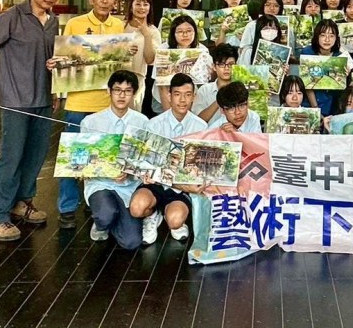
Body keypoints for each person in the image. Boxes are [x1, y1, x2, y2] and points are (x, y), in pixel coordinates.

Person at [0, 0, 63, 242]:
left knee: (35, 156)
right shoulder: (11, 17)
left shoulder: (53, 22)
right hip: (15, 100)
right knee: (11, 157)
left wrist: (56, 89)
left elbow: (53, 60)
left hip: (43, 99)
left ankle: (22, 203)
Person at [57, 0, 128, 229]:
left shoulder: (118, 25)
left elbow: (119, 62)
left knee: (103, 156)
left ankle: (94, 200)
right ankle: (67, 207)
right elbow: (64, 59)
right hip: (79, 101)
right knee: (74, 156)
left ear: (115, 0)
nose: (105, 0)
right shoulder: (75, 24)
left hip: (106, 103)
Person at [129, 73, 207, 245]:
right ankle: (152, 215)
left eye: (187, 94)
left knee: (175, 220)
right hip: (155, 184)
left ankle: (172, 218)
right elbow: (145, 161)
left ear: (194, 97)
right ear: (169, 96)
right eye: (177, 94)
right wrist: (145, 172)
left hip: (181, 189)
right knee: (137, 208)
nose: (182, 100)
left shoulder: (201, 127)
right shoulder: (153, 124)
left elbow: (198, 169)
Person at [80, 71, 150, 248]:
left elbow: (145, 159)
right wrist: (103, 171)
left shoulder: (142, 122)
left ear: (134, 93)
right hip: (100, 183)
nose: (122, 95)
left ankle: (113, 219)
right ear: (109, 91)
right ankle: (102, 222)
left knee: (131, 242)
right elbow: (81, 162)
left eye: (127, 91)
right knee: (106, 214)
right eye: (117, 90)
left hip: (129, 186)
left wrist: (130, 172)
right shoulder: (90, 122)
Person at [156, 15, 212, 112]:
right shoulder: (163, 49)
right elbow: (162, 86)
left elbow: (206, 81)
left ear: (195, 32)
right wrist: (169, 114)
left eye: (189, 31)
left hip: (193, 100)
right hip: (165, 99)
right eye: (180, 31)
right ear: (173, 33)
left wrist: (211, 72)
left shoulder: (202, 50)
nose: (185, 35)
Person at [300, 18, 353, 114]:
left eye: (331, 36)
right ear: (317, 36)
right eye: (323, 35)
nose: (327, 39)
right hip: (311, 104)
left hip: (333, 105)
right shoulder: (307, 52)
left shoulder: (341, 57)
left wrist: (345, 78)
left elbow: (343, 91)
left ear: (336, 38)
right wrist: (316, 109)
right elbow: (307, 85)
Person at [124, 0, 160, 114]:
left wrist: (147, 35)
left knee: (133, 114)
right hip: (118, 74)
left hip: (138, 77)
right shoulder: (121, 26)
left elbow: (150, 60)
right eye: (138, 4)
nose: (142, 8)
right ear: (131, 7)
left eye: (145, 4)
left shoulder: (153, 31)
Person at [193, 44, 237, 121]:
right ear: (214, 67)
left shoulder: (241, 89)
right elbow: (197, 120)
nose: (226, 68)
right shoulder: (204, 90)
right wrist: (220, 99)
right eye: (221, 64)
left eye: (230, 64)